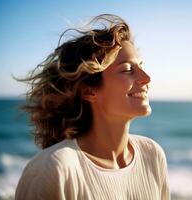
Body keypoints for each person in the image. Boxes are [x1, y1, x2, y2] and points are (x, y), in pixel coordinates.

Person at [15, 14, 170, 200]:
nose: (146, 77)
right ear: (89, 91)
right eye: (128, 69)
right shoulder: (54, 170)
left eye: (141, 66)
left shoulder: (152, 155)